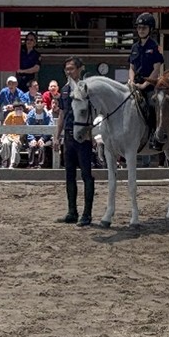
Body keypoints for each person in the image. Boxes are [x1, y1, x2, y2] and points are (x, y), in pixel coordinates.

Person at [53, 56, 95, 226]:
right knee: (69, 175)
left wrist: (91, 133)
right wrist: (57, 136)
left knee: (86, 175)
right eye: (67, 69)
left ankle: (87, 213)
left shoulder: (88, 88)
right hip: (69, 136)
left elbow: (94, 112)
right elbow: (62, 114)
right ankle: (72, 211)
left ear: (80, 69)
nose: (69, 71)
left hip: (83, 136)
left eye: (71, 68)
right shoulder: (64, 90)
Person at [129, 12, 165, 145]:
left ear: (150, 29)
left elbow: (156, 69)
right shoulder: (134, 47)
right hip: (134, 84)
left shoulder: (155, 47)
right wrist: (132, 82)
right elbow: (131, 67)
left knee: (151, 106)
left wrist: (144, 85)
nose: (141, 30)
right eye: (139, 28)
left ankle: (153, 136)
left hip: (149, 86)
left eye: (144, 28)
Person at [25, 98, 55, 168]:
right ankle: (31, 164)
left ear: (44, 104)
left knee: (42, 146)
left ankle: (41, 165)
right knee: (32, 146)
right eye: (37, 102)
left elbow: (49, 128)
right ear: (34, 104)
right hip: (33, 137)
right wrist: (32, 139)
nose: (39, 103)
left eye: (41, 102)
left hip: (44, 137)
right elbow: (27, 128)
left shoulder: (48, 115)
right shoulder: (30, 115)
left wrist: (43, 139)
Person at [0, 101, 27, 168]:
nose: (19, 110)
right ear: (14, 109)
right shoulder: (10, 115)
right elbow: (5, 126)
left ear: (23, 109)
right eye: (17, 109)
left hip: (20, 137)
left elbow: (26, 130)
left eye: (20, 108)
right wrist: (3, 136)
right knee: (5, 143)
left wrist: (19, 137)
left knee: (15, 145)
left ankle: (13, 163)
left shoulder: (25, 116)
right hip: (9, 135)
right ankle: (5, 161)